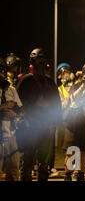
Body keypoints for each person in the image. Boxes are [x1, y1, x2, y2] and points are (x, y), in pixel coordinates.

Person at [16, 48, 61, 181]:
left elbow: (57, 106)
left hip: (46, 128)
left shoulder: (49, 82)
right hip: (30, 127)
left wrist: (54, 125)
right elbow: (17, 104)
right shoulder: (26, 81)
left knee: (43, 165)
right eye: (37, 63)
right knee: (27, 162)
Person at [0, 58, 22, 181]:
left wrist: (15, 114)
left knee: (13, 170)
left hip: (11, 136)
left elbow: (20, 110)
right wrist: (3, 107)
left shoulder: (11, 89)